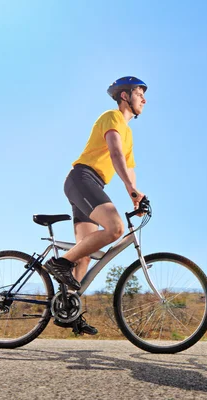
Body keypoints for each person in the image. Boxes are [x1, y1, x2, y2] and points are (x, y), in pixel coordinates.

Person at [44, 76, 148, 335]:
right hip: (83, 178)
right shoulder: (112, 117)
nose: (144, 99)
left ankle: (68, 310)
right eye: (139, 93)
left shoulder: (129, 134)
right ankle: (59, 264)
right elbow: (114, 154)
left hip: (93, 184)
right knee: (114, 228)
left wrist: (137, 195)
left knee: (84, 254)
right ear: (125, 95)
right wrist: (130, 190)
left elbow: (130, 168)